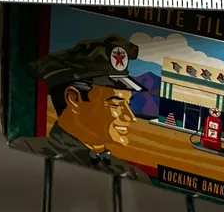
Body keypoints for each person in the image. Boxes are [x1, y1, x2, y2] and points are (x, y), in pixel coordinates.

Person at [24, 35, 146, 179]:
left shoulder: (134, 174)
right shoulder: (26, 152)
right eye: (116, 104)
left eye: (128, 103)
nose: (130, 117)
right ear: (73, 98)